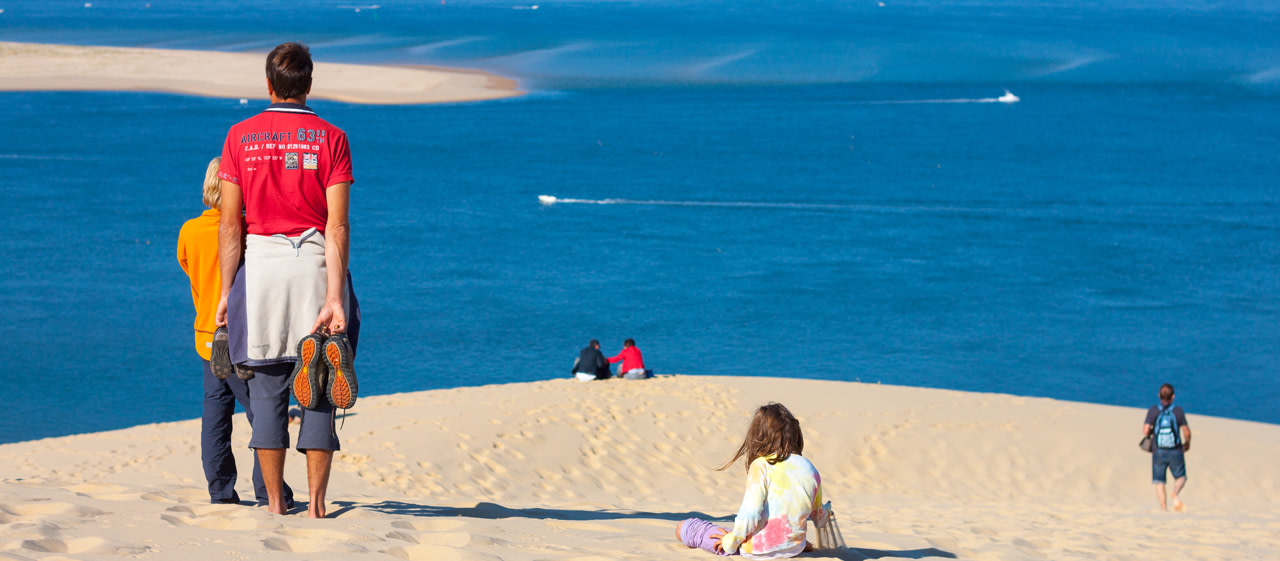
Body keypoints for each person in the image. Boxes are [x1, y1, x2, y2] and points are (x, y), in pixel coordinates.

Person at [215, 42, 360, 519]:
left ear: (269, 85)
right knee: (320, 383)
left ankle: (275, 502)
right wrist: (335, 296)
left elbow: (231, 225)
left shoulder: (240, 136)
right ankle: (317, 504)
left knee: (268, 389)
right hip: (316, 267)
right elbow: (336, 225)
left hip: (260, 271)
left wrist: (224, 293)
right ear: (309, 85)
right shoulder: (332, 137)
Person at [178, 157, 296, 508]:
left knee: (215, 413)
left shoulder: (189, 231)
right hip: (243, 337)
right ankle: (269, 491)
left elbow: (190, 271)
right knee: (263, 410)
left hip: (206, 335)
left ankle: (221, 490)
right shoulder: (249, 232)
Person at [676, 403, 830, 558]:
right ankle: (799, 545)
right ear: (795, 434)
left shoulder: (762, 465)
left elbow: (750, 515)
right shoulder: (809, 468)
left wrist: (729, 542)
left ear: (758, 436)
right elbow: (818, 517)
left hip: (757, 549)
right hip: (793, 549)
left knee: (684, 527)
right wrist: (827, 512)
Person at [1143, 383, 1191, 512]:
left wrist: (1151, 432)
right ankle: (1175, 492)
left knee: (1159, 481)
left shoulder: (1154, 410)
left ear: (1159, 395)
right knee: (1181, 477)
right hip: (1175, 450)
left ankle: (1164, 510)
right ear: (1173, 397)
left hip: (1158, 450)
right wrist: (1187, 443)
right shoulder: (1178, 411)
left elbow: (1145, 430)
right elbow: (1186, 431)